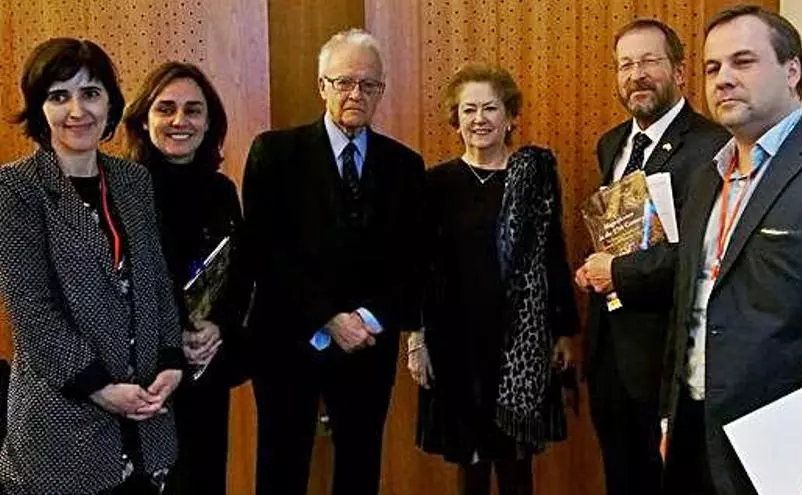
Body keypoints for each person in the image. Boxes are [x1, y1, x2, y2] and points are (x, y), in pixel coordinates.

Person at [663, 6, 802, 495]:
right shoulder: (705, 178)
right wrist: (668, 419)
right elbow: (689, 309)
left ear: (792, 70)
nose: (723, 79)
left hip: (785, 450)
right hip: (693, 434)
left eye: (743, 61)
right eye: (712, 67)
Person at [240, 28, 426, 495]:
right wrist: (329, 317)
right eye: (344, 82)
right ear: (322, 85)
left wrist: (364, 320)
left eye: (369, 84)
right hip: (287, 341)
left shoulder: (405, 166)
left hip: (368, 344)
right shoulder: (275, 153)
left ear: (381, 90)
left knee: (360, 472)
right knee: (280, 471)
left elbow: (411, 260)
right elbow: (264, 252)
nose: (356, 94)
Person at [0, 38, 183, 494]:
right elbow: (32, 313)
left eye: (91, 93)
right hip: (63, 422)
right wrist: (100, 388)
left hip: (145, 414)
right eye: (59, 96)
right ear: (39, 109)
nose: (77, 110)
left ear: (110, 103)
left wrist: (170, 360)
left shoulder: (133, 180)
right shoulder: (15, 189)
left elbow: (155, 281)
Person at [407, 62, 578, 495]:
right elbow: (419, 268)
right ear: (456, 119)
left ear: (510, 117)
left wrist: (563, 332)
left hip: (519, 343)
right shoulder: (435, 183)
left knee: (517, 465)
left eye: (490, 108)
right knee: (471, 465)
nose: (479, 119)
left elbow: (553, 255)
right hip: (456, 342)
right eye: (469, 110)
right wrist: (416, 340)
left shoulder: (534, 177)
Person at [573, 19, 728, 495]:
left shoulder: (713, 146)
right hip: (608, 352)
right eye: (625, 65)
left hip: (665, 357)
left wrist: (616, 271)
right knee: (620, 478)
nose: (635, 74)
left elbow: (703, 250)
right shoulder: (611, 143)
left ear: (679, 71)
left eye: (648, 61)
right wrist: (595, 267)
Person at [123, 61, 252, 494]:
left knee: (205, 479)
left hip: (205, 369)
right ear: (144, 120)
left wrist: (219, 326)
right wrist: (173, 335)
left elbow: (240, 273)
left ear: (209, 122)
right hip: (143, 375)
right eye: (166, 109)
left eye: (194, 110)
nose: (180, 120)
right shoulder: (122, 191)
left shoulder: (222, 191)